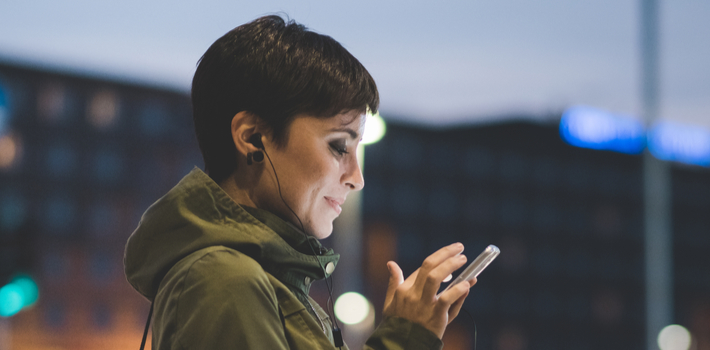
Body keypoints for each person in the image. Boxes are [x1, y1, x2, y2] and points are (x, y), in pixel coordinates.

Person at [124, 15, 476, 350]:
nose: (357, 178)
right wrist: (404, 339)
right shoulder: (223, 280)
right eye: (339, 146)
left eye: (357, 149)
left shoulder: (262, 281)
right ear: (253, 137)